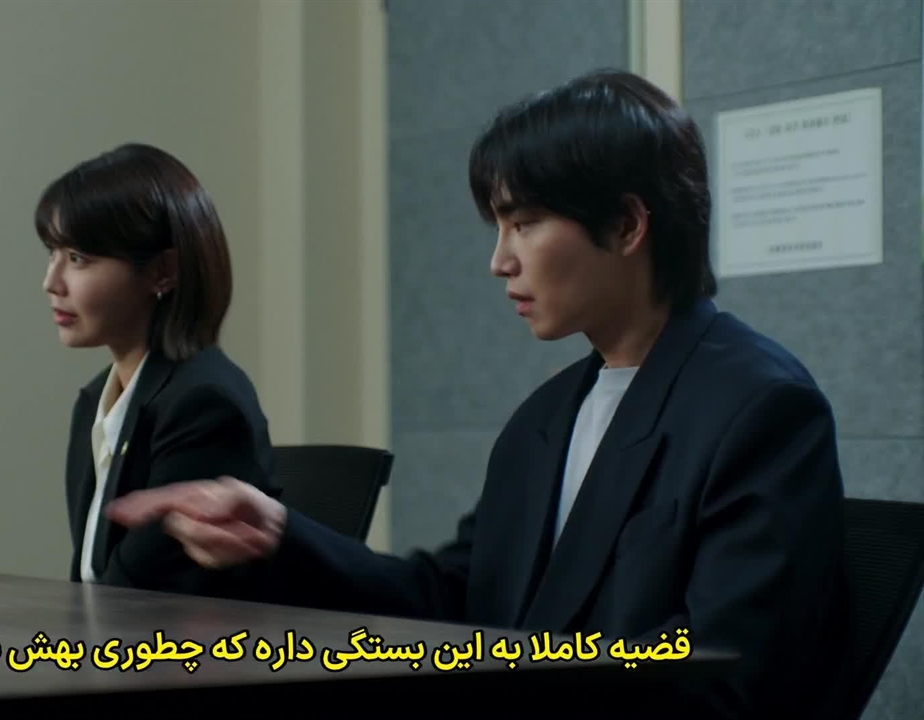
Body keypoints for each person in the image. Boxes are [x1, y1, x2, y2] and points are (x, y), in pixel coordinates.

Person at [106, 72, 853, 719]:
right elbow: (456, 598)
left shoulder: (760, 408)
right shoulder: (546, 417)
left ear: (627, 225)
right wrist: (278, 532)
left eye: (524, 223)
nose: (499, 260)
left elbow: (723, 679)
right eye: (499, 227)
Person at [35, 142, 278, 600]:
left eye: (78, 258)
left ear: (163, 271)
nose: (51, 282)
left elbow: (137, 597)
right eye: (53, 252)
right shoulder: (95, 401)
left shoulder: (204, 405)